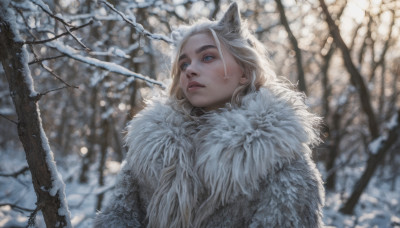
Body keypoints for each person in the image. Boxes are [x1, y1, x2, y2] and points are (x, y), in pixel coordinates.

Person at [94, 2, 324, 227]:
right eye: (183, 64)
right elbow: (119, 216)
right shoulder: (148, 146)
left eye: (207, 57)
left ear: (244, 72)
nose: (190, 70)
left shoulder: (280, 155)